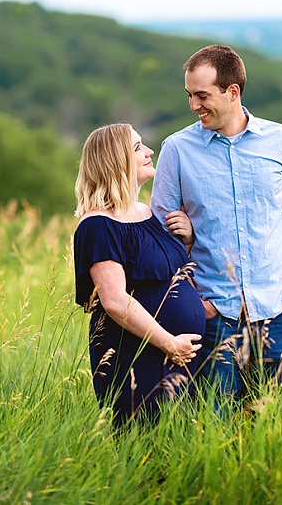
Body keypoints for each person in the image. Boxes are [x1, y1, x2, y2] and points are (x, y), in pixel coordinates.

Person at [151, 44, 282, 410]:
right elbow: (158, 241)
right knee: (215, 429)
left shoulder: (281, 140)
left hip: (277, 313)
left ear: (232, 92)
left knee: (270, 427)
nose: (193, 106)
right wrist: (195, 298)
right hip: (213, 319)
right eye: (190, 96)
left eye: (201, 96)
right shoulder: (176, 150)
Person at [73, 123, 206, 428]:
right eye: (137, 148)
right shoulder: (97, 226)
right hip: (138, 354)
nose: (149, 152)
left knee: (177, 444)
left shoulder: (146, 212)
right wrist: (169, 343)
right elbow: (115, 300)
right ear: (114, 160)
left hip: (177, 351)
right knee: (145, 446)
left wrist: (185, 239)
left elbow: (167, 273)